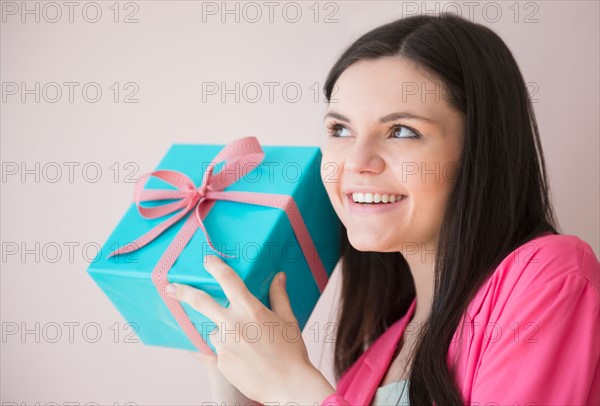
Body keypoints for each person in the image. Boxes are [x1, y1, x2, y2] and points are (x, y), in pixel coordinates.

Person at [165, 13, 600, 405]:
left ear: (481, 151)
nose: (356, 162)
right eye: (340, 129)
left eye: (402, 131)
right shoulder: (374, 359)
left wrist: (295, 389)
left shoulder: (551, 274)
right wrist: (238, 392)